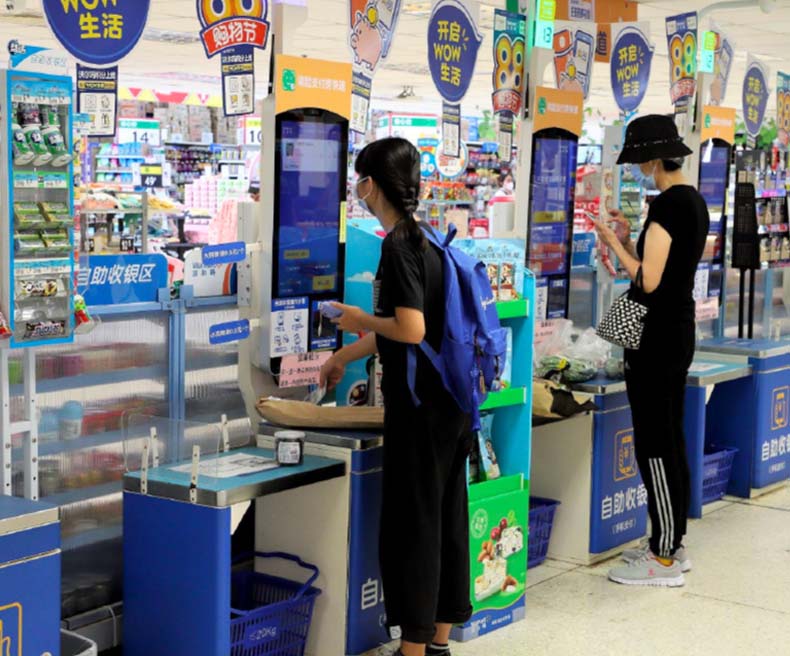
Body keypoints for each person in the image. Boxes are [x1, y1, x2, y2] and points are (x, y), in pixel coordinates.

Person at [320, 137, 472, 656]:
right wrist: (345, 354)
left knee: (414, 527)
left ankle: (411, 649)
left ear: (372, 185)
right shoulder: (429, 238)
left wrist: (360, 318)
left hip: (421, 409)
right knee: (448, 518)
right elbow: (412, 331)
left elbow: (408, 327)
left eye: (358, 181)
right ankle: (440, 642)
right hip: (452, 400)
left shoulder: (398, 245)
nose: (356, 191)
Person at [594, 115, 709, 587]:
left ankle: (662, 556)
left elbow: (646, 280)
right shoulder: (693, 201)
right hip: (676, 330)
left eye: (641, 158)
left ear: (654, 158)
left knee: (655, 445)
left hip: (656, 338)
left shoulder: (668, 205)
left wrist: (612, 243)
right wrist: (629, 238)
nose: (639, 166)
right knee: (670, 438)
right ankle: (672, 542)